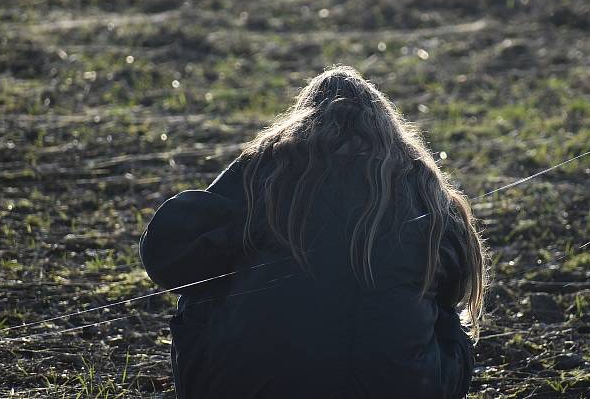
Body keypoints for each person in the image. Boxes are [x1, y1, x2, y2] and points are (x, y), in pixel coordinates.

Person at [139, 65, 486, 399]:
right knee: (447, 319)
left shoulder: (269, 169)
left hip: (247, 389)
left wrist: (252, 163)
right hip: (400, 388)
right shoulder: (426, 187)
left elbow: (170, 257)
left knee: (202, 290)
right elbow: (454, 289)